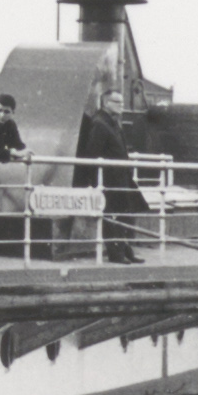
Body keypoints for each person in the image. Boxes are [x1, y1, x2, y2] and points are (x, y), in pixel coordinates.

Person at [77, 88, 143, 264]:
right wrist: (95, 180)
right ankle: (116, 253)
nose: (122, 105)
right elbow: (92, 153)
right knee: (112, 215)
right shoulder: (100, 124)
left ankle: (124, 250)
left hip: (119, 177)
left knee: (123, 214)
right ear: (106, 103)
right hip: (109, 179)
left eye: (122, 102)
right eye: (117, 102)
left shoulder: (111, 122)